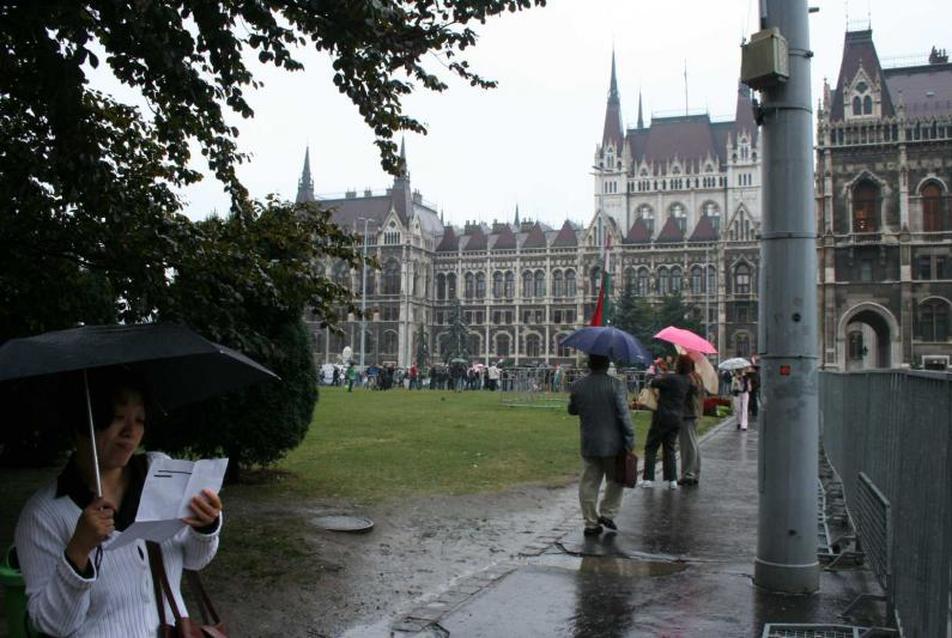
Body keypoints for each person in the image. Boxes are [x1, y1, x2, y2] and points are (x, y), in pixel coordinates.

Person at [14, 370, 222, 637]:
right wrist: (77, 552)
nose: (130, 431)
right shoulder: (43, 514)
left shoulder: (160, 471)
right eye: (117, 418)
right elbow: (52, 625)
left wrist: (205, 526)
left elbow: (195, 559)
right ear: (81, 422)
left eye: (139, 419)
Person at [568, 354, 635, 537]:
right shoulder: (616, 385)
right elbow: (624, 415)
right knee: (616, 480)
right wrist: (630, 438)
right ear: (607, 366)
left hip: (589, 440)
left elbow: (572, 410)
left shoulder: (578, 385)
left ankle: (590, 522)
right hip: (613, 442)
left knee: (589, 482)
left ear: (589, 365)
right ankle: (607, 512)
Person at [642, 354, 693, 489]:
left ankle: (648, 479)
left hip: (662, 416)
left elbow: (651, 382)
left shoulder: (670, 378)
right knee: (669, 448)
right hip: (677, 418)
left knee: (651, 446)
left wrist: (656, 369)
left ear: (679, 365)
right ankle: (672, 480)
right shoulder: (687, 381)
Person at [678, 363, 705, 486]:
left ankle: (688, 474)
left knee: (688, 446)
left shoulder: (689, 379)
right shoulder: (696, 377)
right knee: (694, 444)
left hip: (687, 414)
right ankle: (694, 472)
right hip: (693, 413)